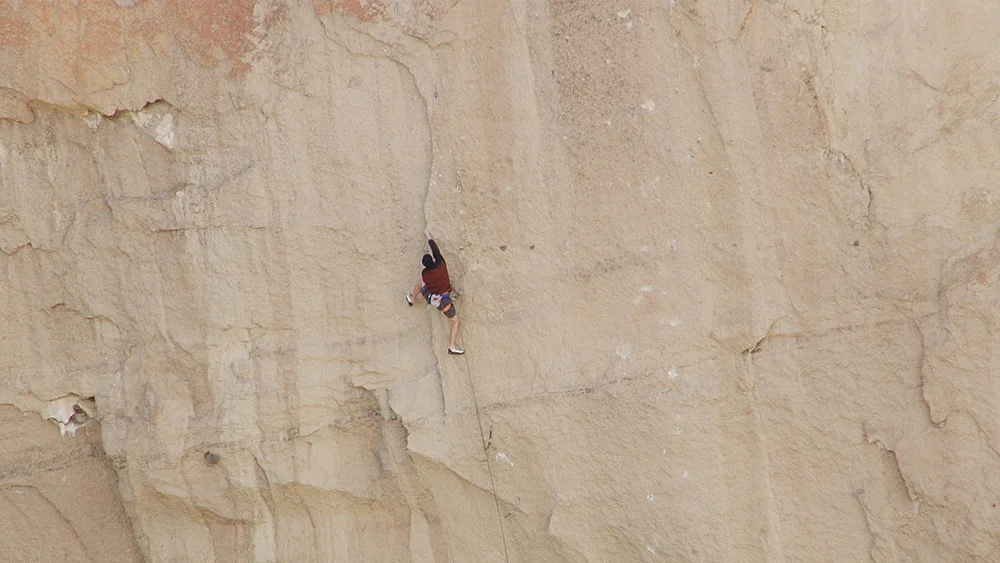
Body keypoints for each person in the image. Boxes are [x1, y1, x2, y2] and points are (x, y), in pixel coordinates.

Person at [407, 231, 464, 355]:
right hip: (444, 302)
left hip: (433, 298)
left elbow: (424, 281)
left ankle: (412, 299)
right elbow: (435, 249)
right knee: (455, 321)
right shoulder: (440, 263)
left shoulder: (425, 274)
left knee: (419, 284)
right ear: (433, 259)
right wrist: (428, 236)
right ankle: (452, 346)